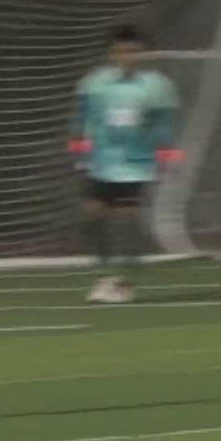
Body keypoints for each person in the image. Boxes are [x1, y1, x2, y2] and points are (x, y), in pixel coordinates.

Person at [69, 24, 182, 303]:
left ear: (143, 54)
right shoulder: (95, 82)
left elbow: (164, 126)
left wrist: (167, 156)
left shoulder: (157, 86)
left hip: (135, 163)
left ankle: (125, 281)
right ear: (113, 53)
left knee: (126, 220)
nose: (129, 56)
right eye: (123, 51)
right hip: (101, 162)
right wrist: (79, 152)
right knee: (93, 216)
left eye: (134, 51)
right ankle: (104, 277)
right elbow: (81, 119)